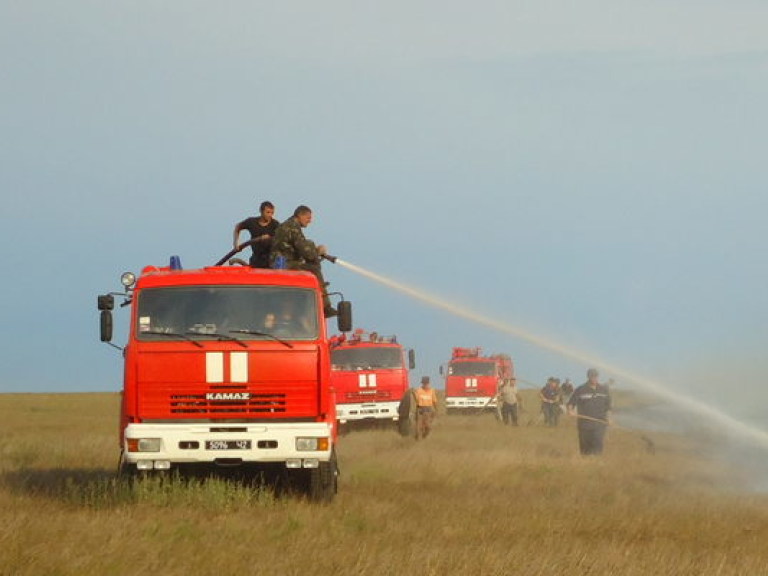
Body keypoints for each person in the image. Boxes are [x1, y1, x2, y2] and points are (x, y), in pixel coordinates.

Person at [270, 205, 336, 317]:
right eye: (308, 217)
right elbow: (306, 252)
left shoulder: (288, 225)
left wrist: (313, 249)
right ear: (300, 215)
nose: (310, 221)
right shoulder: (293, 227)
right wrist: (318, 251)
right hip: (285, 263)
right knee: (314, 269)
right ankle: (325, 307)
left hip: (281, 262)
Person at [567, 368, 612, 455]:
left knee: (598, 443)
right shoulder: (580, 389)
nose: (594, 378)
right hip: (584, 423)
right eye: (592, 376)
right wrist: (570, 411)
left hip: (600, 422)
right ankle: (586, 463)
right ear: (588, 377)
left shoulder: (604, 390)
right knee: (585, 447)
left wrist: (609, 418)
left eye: (596, 376)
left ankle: (596, 463)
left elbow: (608, 407)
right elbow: (571, 403)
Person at [233, 201, 280, 269]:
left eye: (272, 213)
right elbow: (238, 227)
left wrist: (270, 239)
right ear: (261, 211)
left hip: (270, 261)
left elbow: (282, 239)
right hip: (256, 259)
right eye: (268, 212)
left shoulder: (275, 224)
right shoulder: (252, 222)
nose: (270, 215)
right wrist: (235, 243)